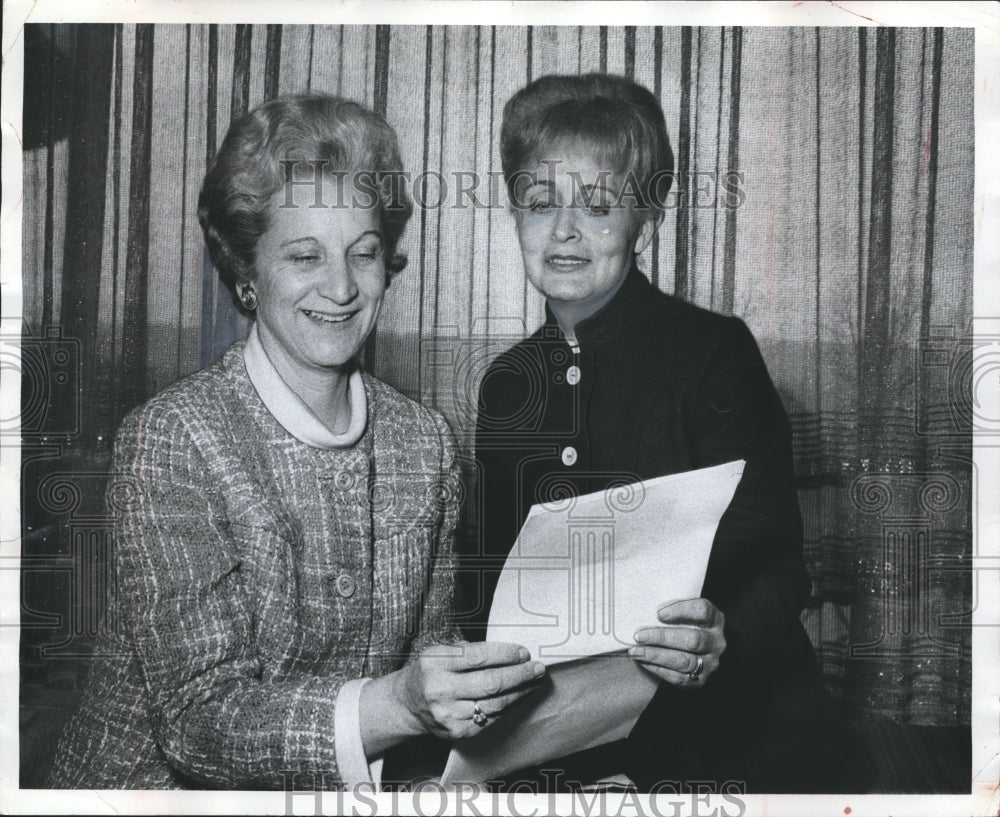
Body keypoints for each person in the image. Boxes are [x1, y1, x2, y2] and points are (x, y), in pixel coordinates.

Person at [46, 93, 545, 790]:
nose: (341, 287)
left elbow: (431, 654)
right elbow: (200, 722)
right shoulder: (172, 439)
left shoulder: (424, 442)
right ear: (247, 271)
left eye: (363, 253)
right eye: (305, 255)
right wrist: (397, 704)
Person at [459, 74, 868, 793]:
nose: (563, 232)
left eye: (597, 204)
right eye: (539, 202)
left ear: (644, 215)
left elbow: (781, 568)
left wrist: (723, 643)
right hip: (563, 740)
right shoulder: (507, 383)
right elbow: (488, 589)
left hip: (733, 736)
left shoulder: (714, 353)